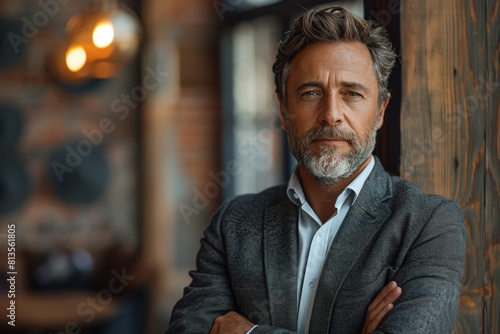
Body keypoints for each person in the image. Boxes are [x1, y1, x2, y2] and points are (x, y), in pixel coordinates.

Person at [166, 6, 466, 334]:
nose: (331, 115)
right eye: (311, 93)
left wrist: (250, 332)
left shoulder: (429, 224)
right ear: (283, 110)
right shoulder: (234, 223)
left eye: (352, 94)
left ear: (379, 110)